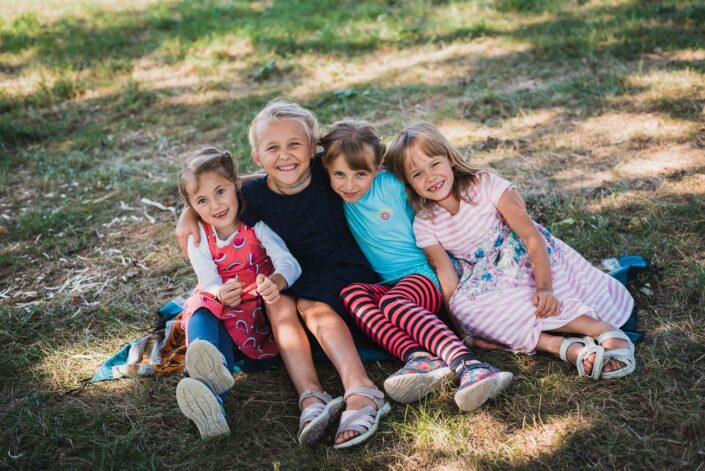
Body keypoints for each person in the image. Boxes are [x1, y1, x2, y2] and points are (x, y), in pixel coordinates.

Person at [176, 100, 390, 449]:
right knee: (276, 303)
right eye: (272, 148)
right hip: (289, 275)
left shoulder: (327, 170)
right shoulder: (253, 196)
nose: (285, 155)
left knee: (310, 306)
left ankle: (362, 390)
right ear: (258, 157)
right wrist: (188, 212)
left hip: (342, 270)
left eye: (294, 144)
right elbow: (217, 188)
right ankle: (311, 395)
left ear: (313, 147)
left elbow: (369, 159)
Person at [384, 122, 637, 380]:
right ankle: (560, 346)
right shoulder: (425, 223)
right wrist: (462, 330)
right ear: (409, 183)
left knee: (541, 298)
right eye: (417, 174)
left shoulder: (485, 185)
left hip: (526, 259)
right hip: (487, 278)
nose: (430, 177)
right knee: (463, 307)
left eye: (435, 164)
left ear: (449, 158)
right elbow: (447, 280)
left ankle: (597, 328)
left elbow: (531, 237)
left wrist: (545, 288)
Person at [319, 119, 512, 412]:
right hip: (390, 282)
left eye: (360, 174)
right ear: (328, 169)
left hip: (425, 274)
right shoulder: (333, 187)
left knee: (394, 303)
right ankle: (420, 358)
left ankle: (469, 364)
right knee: (352, 295)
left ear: (378, 167)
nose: (348, 184)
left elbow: (429, 182)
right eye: (339, 174)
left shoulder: (392, 184)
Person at [175, 147, 302, 439]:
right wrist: (220, 293)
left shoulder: (256, 226)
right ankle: (211, 394)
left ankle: (212, 382)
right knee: (200, 304)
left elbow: (289, 262)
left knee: (208, 309)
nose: (215, 206)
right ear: (192, 206)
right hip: (222, 307)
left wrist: (276, 281)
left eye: (220, 192)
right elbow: (208, 281)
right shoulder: (199, 236)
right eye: (202, 201)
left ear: (236, 185)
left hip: (255, 313)